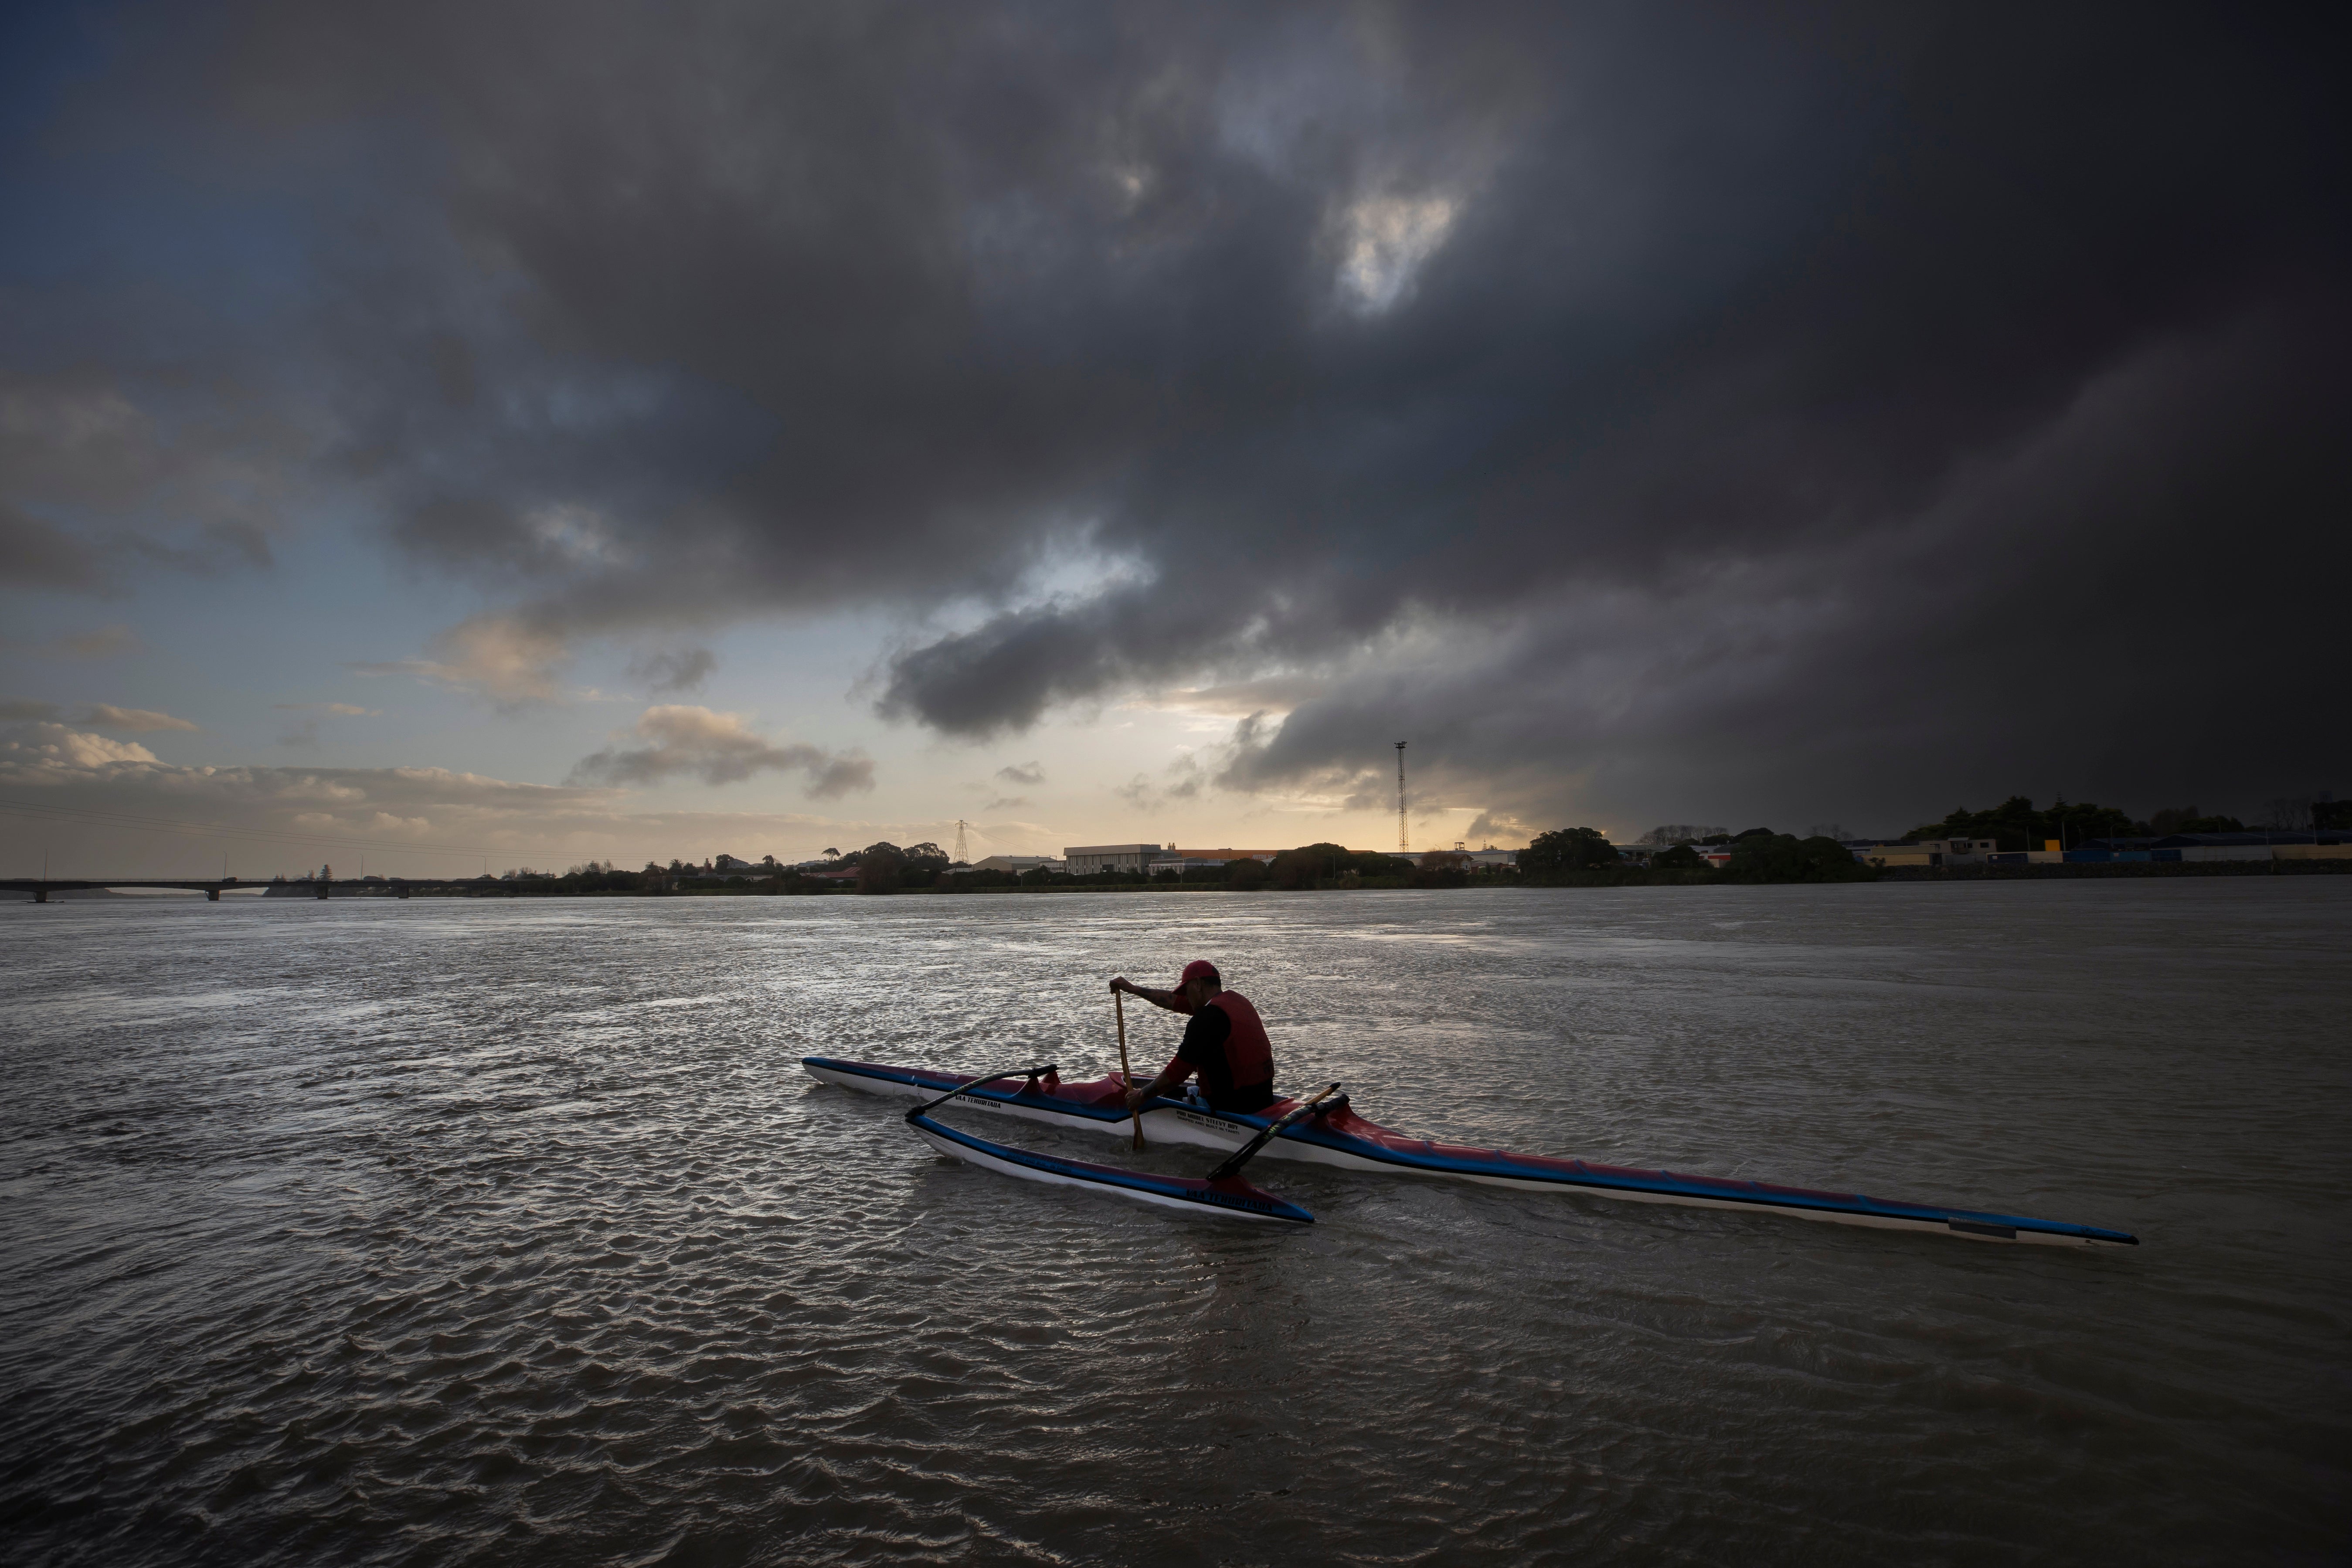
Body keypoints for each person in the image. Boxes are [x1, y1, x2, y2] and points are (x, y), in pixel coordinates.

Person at [1109, 960, 1278, 1113]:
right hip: (1264, 1099)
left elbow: (1177, 1074)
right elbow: (1173, 1001)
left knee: (1165, 1090)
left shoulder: (1206, 1019)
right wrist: (1133, 989)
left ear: (1197, 984)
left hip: (1233, 1108)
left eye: (1186, 990)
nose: (1185, 997)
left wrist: (1141, 1096)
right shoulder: (1237, 1002)